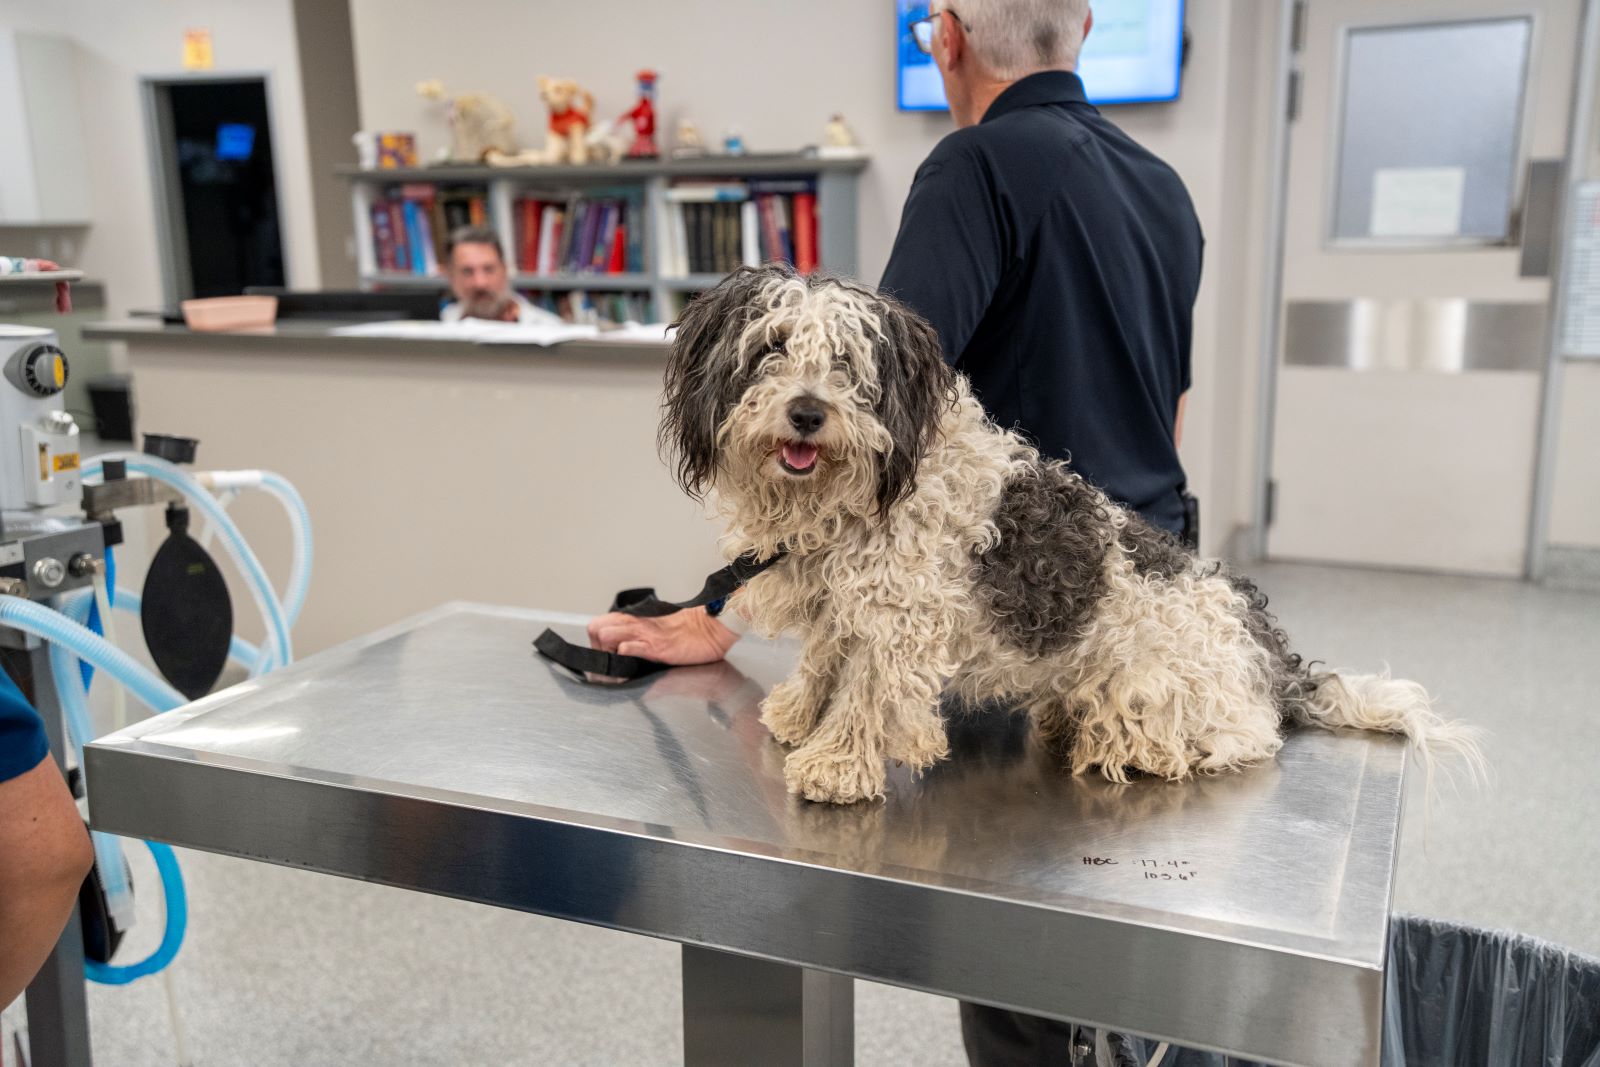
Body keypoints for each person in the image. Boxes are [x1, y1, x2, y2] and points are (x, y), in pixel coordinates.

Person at [439, 227, 562, 325]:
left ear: (505, 270)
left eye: (489, 269)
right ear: (451, 276)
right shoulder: (440, 325)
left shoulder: (551, 328)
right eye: (467, 272)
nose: (480, 283)